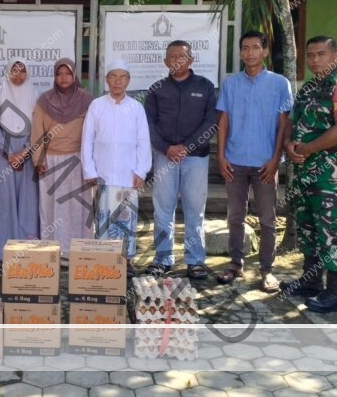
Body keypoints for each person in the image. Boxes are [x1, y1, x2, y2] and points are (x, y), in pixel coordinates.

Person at [280, 35, 337, 313]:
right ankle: (311, 282)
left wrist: (306, 148)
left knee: (330, 231)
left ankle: (336, 295)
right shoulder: (308, 88)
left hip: (331, 175)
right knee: (308, 227)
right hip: (304, 171)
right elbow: (293, 121)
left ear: (335, 56)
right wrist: (289, 145)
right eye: (311, 55)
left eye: (321, 54)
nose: (315, 59)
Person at [215, 31, 293, 292]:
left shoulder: (280, 84)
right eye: (245, 48)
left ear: (265, 51)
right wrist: (221, 156)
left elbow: (283, 124)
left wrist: (276, 159)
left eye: (256, 47)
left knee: (268, 219)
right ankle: (235, 264)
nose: (250, 53)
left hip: (265, 163)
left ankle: (267, 270)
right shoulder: (230, 83)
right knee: (235, 216)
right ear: (240, 52)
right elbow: (223, 120)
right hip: (234, 161)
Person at [144, 40, 218, 278]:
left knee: (194, 210)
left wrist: (187, 147)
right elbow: (148, 124)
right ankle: (162, 259)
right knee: (163, 209)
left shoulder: (205, 87)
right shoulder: (156, 89)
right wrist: (166, 148)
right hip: (164, 157)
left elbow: (211, 122)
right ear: (165, 61)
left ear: (192, 59)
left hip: (196, 157)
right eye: (173, 56)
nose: (178, 60)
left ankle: (195, 260)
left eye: (182, 56)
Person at [81, 60, 151, 278]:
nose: (118, 81)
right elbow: (87, 139)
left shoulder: (136, 108)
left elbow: (143, 141)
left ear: (128, 80)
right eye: (113, 76)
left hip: (128, 175)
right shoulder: (96, 105)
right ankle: (103, 261)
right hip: (102, 174)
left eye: (122, 77)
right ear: (106, 80)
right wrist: (89, 170)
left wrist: (141, 171)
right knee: (103, 219)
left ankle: (125, 261)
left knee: (125, 220)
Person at [32, 58, 94, 260]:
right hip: (50, 162)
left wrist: (92, 163)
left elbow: (93, 132)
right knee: (52, 207)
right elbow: (37, 131)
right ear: (54, 76)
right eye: (59, 74)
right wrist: (38, 159)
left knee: (79, 207)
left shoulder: (86, 100)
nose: (64, 78)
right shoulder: (44, 100)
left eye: (68, 73)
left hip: (78, 161)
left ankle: (79, 249)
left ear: (74, 75)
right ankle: (54, 250)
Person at [0, 59, 40, 261]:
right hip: (3, 154)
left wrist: (24, 152)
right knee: (2, 200)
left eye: (22, 71)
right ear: (8, 72)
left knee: (27, 200)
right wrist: (9, 153)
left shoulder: (34, 95)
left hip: (27, 153)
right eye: (14, 70)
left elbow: (38, 127)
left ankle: (26, 248)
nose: (18, 75)